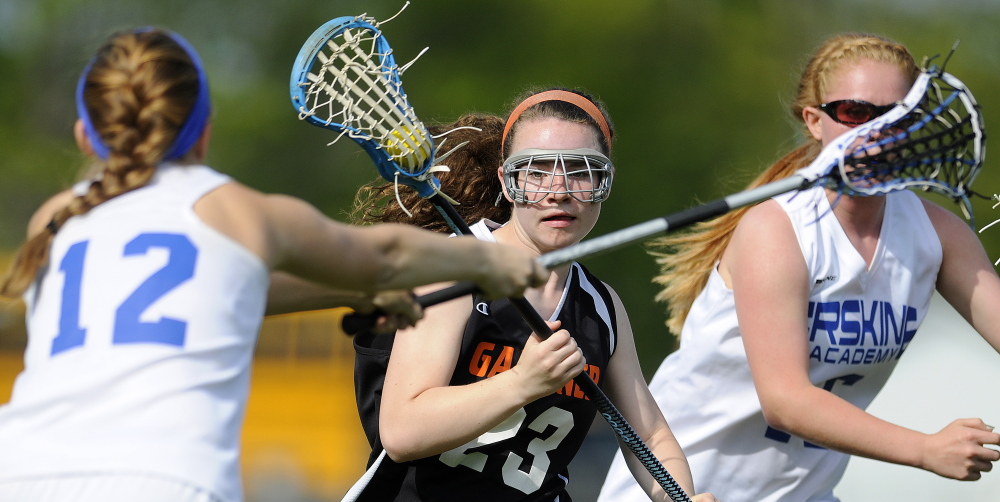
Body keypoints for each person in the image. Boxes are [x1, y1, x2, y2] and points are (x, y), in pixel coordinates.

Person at [0, 27, 548, 502]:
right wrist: (484, 259)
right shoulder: (235, 211)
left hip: (20, 467)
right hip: (162, 476)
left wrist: (356, 295)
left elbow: (236, 294)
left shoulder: (56, 217)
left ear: (83, 134)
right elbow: (387, 254)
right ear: (205, 128)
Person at [597, 33, 1000, 502]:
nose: (877, 133)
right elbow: (786, 403)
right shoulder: (777, 230)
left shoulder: (939, 235)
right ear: (815, 121)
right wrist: (925, 449)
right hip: (682, 491)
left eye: (897, 116)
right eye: (855, 114)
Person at [348, 89, 718, 501]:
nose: (559, 191)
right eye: (537, 170)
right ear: (509, 183)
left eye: (580, 170)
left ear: (604, 181)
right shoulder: (453, 271)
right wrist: (521, 383)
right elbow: (401, 431)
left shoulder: (601, 306)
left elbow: (649, 435)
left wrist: (680, 495)